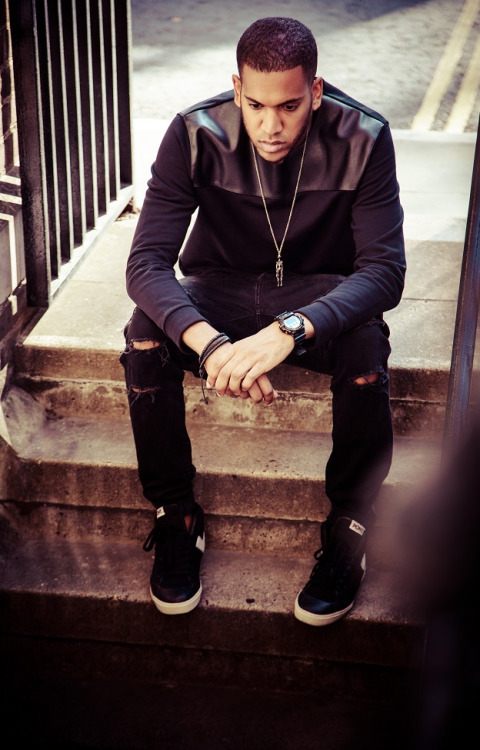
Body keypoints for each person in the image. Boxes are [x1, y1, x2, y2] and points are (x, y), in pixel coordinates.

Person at [120, 17, 405, 626]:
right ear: (236, 88)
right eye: (255, 105)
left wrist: (288, 330)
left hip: (317, 294)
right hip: (219, 289)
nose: (271, 126)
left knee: (366, 344)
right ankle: (176, 514)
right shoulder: (195, 132)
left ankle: (351, 522)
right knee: (143, 334)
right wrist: (212, 346)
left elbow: (384, 273)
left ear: (316, 91)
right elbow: (145, 264)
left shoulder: (364, 136)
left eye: (289, 106)